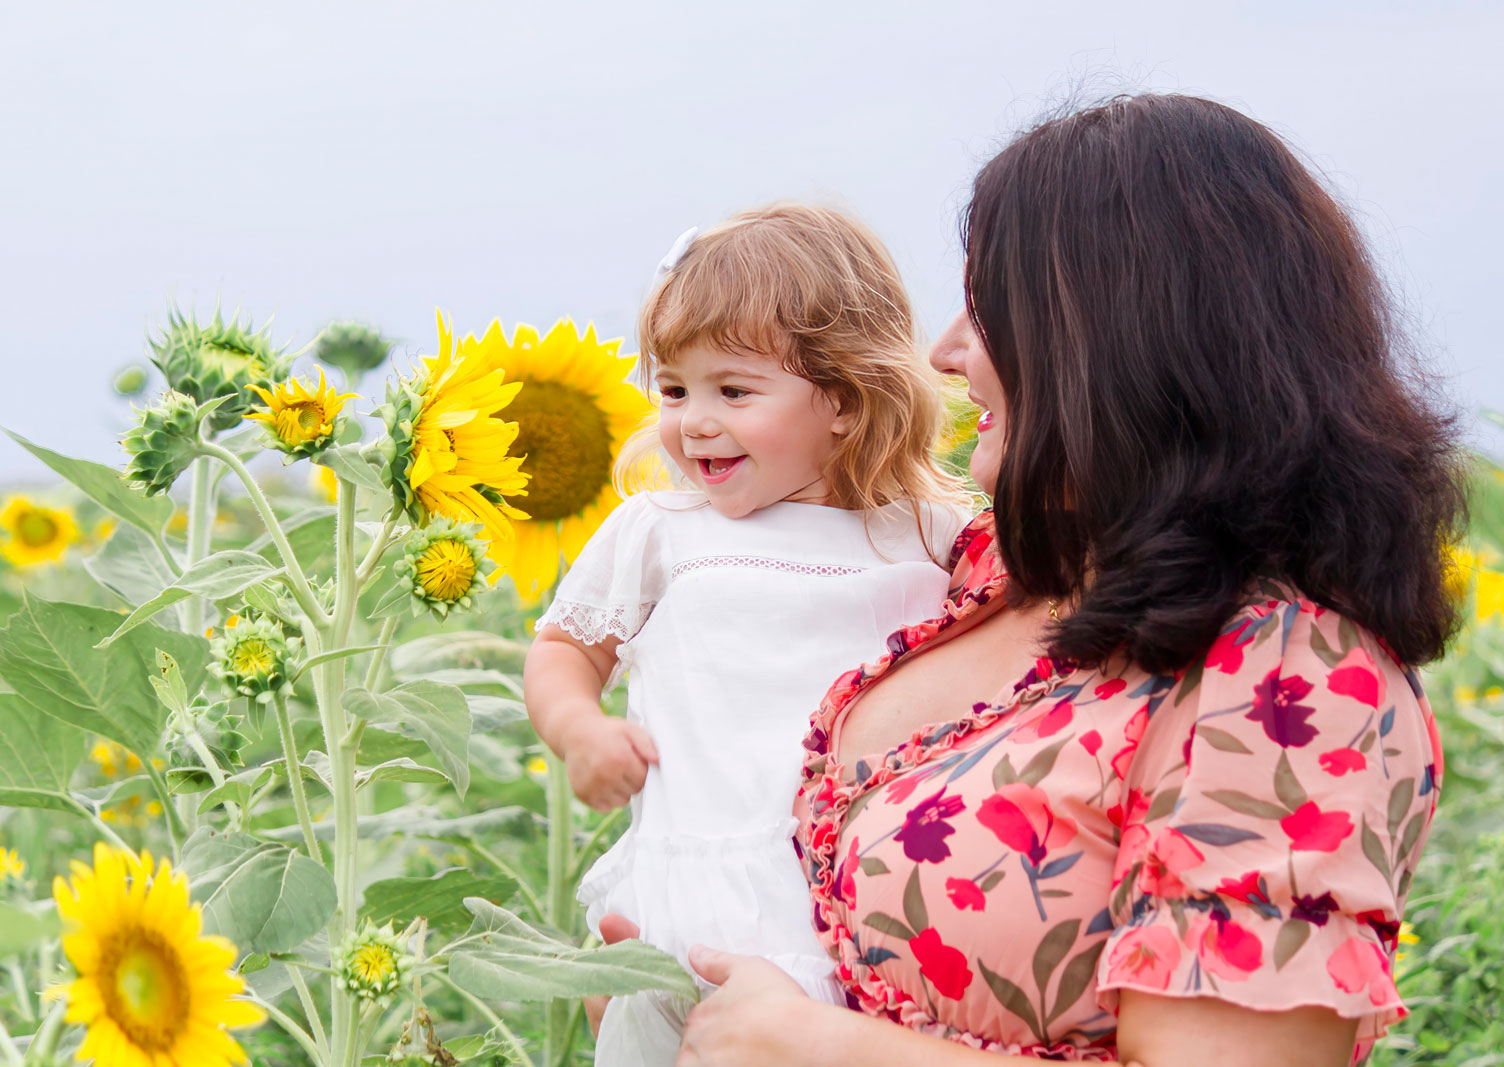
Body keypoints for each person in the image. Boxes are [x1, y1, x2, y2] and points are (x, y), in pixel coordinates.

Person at [666, 94, 1468, 1065]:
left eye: (986, 306)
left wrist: (809, 1044)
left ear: (1115, 334)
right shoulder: (989, 570)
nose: (944, 351)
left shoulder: (1282, 679)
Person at [523, 203, 974, 1066]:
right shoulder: (661, 528)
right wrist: (580, 727)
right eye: (674, 388)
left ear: (843, 401)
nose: (694, 419)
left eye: (733, 390)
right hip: (685, 899)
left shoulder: (931, 535)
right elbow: (564, 648)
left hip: (856, 908)